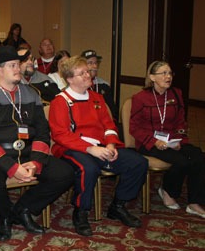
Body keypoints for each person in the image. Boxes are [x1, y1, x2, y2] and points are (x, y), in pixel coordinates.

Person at [0, 46, 74, 241]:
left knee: (65, 173)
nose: (18, 68)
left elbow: (42, 131)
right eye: (12, 65)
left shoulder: (31, 94)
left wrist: (36, 161)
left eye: (18, 64)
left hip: (27, 152)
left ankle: (23, 209)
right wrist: (11, 167)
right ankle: (6, 216)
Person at [49, 55, 148, 236]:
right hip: (72, 148)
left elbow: (109, 126)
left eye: (87, 71)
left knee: (138, 162)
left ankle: (118, 206)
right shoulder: (60, 101)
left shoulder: (96, 98)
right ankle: (81, 212)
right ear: (70, 79)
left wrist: (111, 144)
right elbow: (60, 135)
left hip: (101, 146)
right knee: (89, 168)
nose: (88, 75)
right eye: (82, 73)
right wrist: (90, 149)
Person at [130, 60, 205, 218]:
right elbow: (134, 128)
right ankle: (168, 191)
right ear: (152, 77)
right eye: (164, 73)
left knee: (198, 156)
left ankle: (194, 202)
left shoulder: (176, 94)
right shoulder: (140, 98)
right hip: (149, 142)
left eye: (170, 73)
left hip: (172, 140)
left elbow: (181, 122)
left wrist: (178, 139)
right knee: (181, 161)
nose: (168, 76)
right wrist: (155, 142)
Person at [81, 49, 117, 120]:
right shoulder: (78, 86)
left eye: (96, 63)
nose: (94, 66)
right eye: (90, 63)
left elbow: (113, 112)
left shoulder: (104, 85)